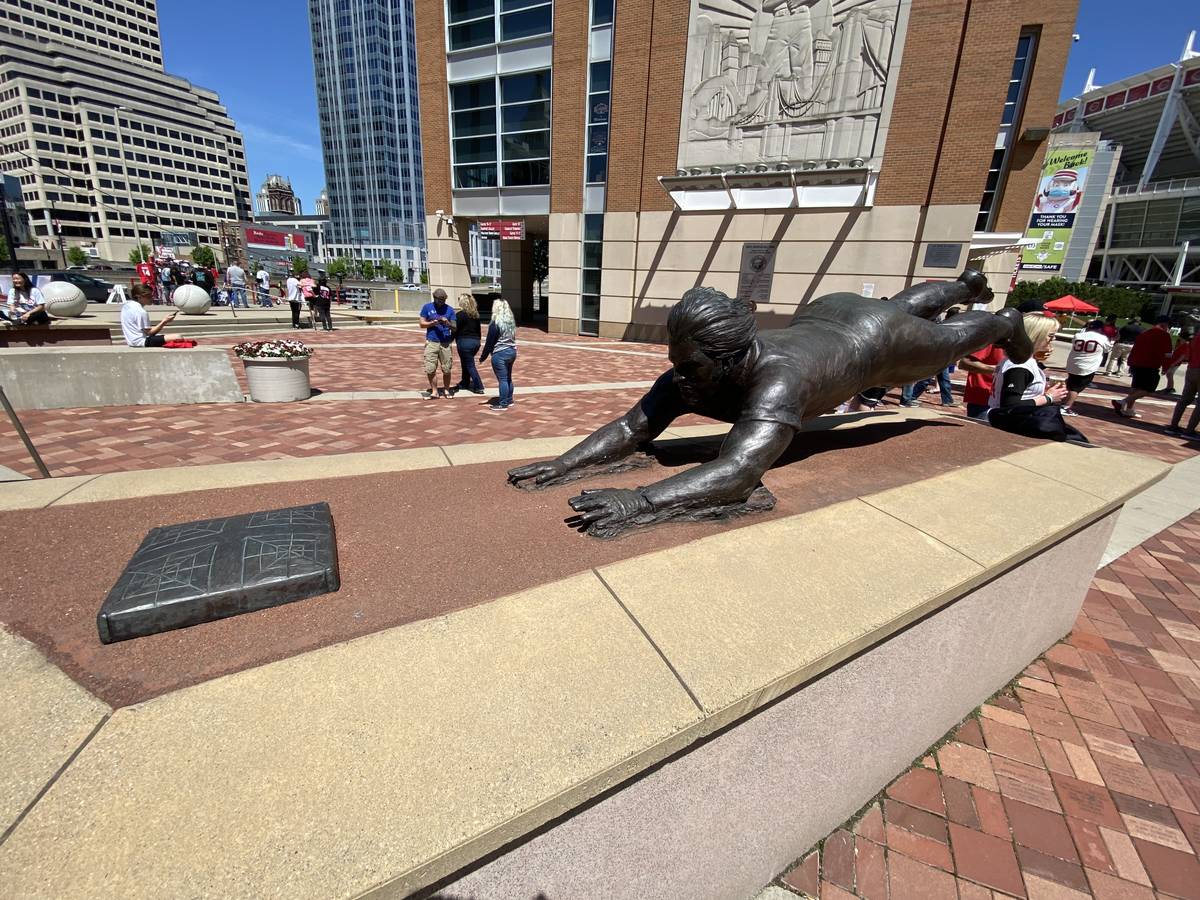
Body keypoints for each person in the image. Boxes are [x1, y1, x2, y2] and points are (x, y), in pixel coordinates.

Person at [508, 269, 1033, 536]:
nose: (679, 378)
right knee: (894, 307)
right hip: (833, 312)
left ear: (731, 358)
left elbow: (738, 471)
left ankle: (1000, 318)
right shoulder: (697, 369)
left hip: (878, 343)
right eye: (679, 362)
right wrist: (563, 464)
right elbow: (632, 428)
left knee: (942, 342)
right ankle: (964, 283)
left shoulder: (778, 381)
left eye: (691, 367)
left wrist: (639, 502)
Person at [987, 314, 1088, 444]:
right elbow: (1010, 405)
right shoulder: (1020, 365)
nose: (1054, 339)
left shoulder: (1020, 360)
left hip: (1009, 421)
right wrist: (1048, 397)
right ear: (1035, 336)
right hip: (1010, 424)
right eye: (1050, 336)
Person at [1112, 315, 1174, 419]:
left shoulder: (1144, 333)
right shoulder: (1164, 335)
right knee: (1148, 389)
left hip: (1136, 363)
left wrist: (1131, 362)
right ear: (1165, 324)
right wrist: (1166, 367)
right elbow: (1167, 354)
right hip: (1150, 364)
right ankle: (1123, 402)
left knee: (1136, 387)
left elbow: (1135, 348)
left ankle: (1129, 409)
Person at [1062, 320, 1113, 417]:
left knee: (1071, 383)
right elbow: (1107, 349)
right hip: (1088, 366)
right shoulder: (1102, 338)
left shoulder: (1078, 335)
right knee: (1076, 388)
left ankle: (1064, 401)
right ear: (1100, 329)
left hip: (1073, 363)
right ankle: (1066, 407)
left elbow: (1074, 343)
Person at [479, 298, 517, 411]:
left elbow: (489, 342)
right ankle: (509, 400)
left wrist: (483, 357)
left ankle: (503, 403)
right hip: (512, 351)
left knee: (503, 379)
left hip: (500, 353)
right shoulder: (510, 323)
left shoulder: (495, 323)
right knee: (508, 378)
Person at [419, 288, 457, 399]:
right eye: (439, 299)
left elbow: (455, 328)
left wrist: (447, 323)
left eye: (443, 299)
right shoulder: (427, 307)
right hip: (432, 341)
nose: (442, 302)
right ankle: (434, 391)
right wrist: (432, 323)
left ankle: (446, 390)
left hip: (445, 342)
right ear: (434, 298)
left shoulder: (450, 310)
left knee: (447, 368)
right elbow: (421, 323)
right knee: (430, 368)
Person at [1164, 327, 1200, 439]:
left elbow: (1188, 356)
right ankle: (1189, 431)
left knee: (1184, 399)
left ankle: (1173, 426)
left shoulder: (1194, 338)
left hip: (1191, 369)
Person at [121, 283, 181, 347]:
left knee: (166, 336)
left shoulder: (126, 306)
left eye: (152, 296)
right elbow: (150, 333)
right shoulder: (141, 312)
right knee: (178, 337)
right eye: (148, 296)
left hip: (131, 340)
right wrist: (164, 321)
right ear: (139, 297)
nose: (152, 298)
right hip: (141, 342)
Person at [959, 342, 1005, 420]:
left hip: (1009, 401)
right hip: (983, 401)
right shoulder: (992, 338)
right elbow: (964, 363)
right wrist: (998, 370)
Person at [451, 292, 485, 395]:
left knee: (469, 365)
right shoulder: (476, 315)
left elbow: (454, 330)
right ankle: (465, 382)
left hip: (464, 342)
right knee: (465, 362)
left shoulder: (459, 315)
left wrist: (449, 340)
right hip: (475, 342)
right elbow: (479, 331)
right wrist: (478, 341)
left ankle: (479, 386)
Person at [1162, 326, 1193, 394]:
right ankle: (1169, 387)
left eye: (1180, 337)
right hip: (1174, 361)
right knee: (1169, 374)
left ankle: (1170, 388)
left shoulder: (1186, 345)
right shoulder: (1181, 343)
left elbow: (1182, 356)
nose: (1179, 338)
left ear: (1183, 337)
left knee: (1169, 374)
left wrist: (1174, 363)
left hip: (1176, 362)